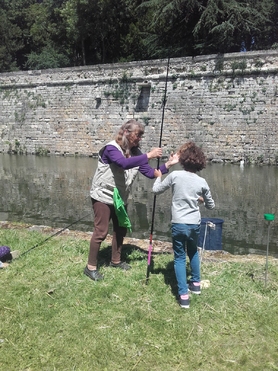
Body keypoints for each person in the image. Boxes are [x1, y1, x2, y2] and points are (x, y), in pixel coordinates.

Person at [84, 119, 179, 281]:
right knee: (101, 231)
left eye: (141, 136)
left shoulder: (136, 153)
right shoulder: (110, 149)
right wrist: (148, 155)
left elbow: (150, 173)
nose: (139, 139)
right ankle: (90, 267)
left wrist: (168, 165)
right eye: (138, 135)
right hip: (102, 196)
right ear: (127, 132)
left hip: (120, 197)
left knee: (121, 229)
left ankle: (116, 260)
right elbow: (122, 163)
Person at [152, 141, 215, 308]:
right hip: (194, 224)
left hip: (178, 223)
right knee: (193, 251)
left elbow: (156, 190)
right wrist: (200, 200)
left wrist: (158, 178)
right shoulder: (202, 182)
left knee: (179, 257)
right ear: (200, 162)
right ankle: (196, 285)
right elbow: (211, 205)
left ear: (183, 160)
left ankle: (183, 295)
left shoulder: (174, 176)